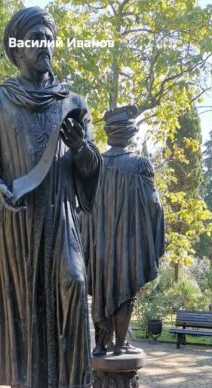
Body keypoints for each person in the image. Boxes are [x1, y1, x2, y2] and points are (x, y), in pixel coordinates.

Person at [0, 7, 102, 388]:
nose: (45, 45)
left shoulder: (72, 102)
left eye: (49, 38)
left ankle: (74, 382)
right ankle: (25, 380)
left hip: (61, 214)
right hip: (19, 217)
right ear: (17, 48)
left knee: (73, 282)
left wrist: (80, 148)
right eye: (36, 39)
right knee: (25, 298)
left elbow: (91, 169)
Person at [81, 105, 165, 357]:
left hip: (99, 247)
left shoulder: (95, 164)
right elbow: (153, 204)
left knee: (101, 292)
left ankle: (100, 345)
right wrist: (153, 235)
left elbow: (82, 207)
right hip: (128, 247)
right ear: (131, 135)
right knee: (125, 291)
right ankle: (120, 344)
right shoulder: (139, 164)